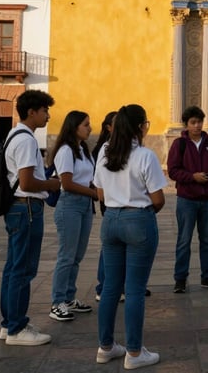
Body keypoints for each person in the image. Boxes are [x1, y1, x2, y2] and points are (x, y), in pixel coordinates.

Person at [93, 104, 166, 368]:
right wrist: (143, 209)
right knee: (134, 288)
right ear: (139, 127)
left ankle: (106, 346)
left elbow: (99, 193)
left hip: (110, 219)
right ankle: (134, 352)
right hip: (138, 218)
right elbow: (158, 199)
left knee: (111, 285)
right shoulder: (145, 156)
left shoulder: (104, 152)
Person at [0, 90, 60, 346]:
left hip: (18, 208)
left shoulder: (14, 134)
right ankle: (16, 328)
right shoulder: (25, 140)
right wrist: (52, 184)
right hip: (27, 209)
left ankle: (9, 323)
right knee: (23, 269)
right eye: (45, 110)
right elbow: (26, 181)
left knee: (13, 268)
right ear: (32, 112)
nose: (48, 115)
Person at [167, 105, 208, 294]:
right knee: (184, 240)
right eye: (193, 122)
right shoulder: (179, 145)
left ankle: (207, 276)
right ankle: (180, 278)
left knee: (207, 240)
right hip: (187, 199)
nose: (197, 126)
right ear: (186, 124)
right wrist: (193, 177)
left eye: (199, 122)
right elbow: (173, 170)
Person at [48, 110, 98, 322]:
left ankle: (69, 297)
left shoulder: (83, 150)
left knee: (77, 255)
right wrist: (94, 193)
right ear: (74, 126)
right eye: (86, 124)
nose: (90, 128)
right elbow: (66, 183)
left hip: (85, 206)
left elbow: (89, 178)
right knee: (66, 256)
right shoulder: (66, 151)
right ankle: (57, 302)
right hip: (70, 204)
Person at [92, 111, 115, 303]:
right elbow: (98, 184)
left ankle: (117, 285)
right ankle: (103, 286)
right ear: (108, 127)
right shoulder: (104, 148)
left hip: (113, 204)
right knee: (109, 247)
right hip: (110, 205)